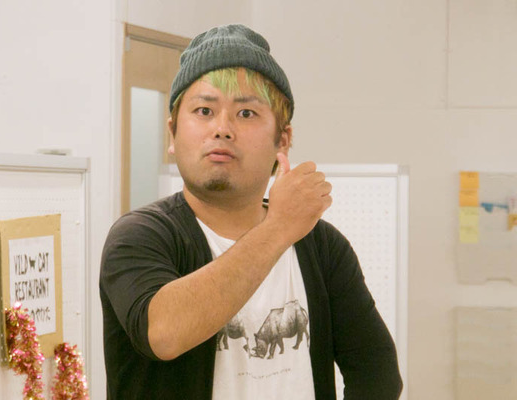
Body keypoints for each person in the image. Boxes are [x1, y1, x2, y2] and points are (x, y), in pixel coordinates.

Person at [100, 24, 402, 400]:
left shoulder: (323, 247)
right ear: (172, 134)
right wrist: (279, 227)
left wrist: (284, 226)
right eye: (204, 110)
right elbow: (164, 334)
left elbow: (377, 373)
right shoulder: (140, 235)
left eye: (246, 113)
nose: (222, 129)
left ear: (283, 140)